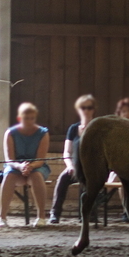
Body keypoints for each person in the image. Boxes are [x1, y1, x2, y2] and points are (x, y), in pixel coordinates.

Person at [0, 103, 50, 228]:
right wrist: (20, 167)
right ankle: (2, 217)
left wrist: (30, 166)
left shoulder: (43, 133)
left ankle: (41, 216)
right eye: (26, 118)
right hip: (15, 166)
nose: (29, 121)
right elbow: (9, 159)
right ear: (20, 118)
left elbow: (40, 159)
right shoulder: (10, 133)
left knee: (36, 175)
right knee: (9, 176)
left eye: (32, 118)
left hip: (36, 166)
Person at [49, 94, 96, 224]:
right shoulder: (73, 129)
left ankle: (86, 214)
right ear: (78, 109)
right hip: (75, 166)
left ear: (93, 109)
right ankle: (55, 213)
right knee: (62, 179)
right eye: (83, 107)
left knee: (87, 181)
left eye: (89, 107)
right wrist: (70, 166)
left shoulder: (97, 128)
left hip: (92, 168)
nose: (86, 111)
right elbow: (67, 152)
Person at [109, 97, 129, 222]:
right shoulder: (116, 131)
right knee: (119, 176)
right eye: (123, 111)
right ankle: (127, 211)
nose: (126, 114)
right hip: (120, 165)